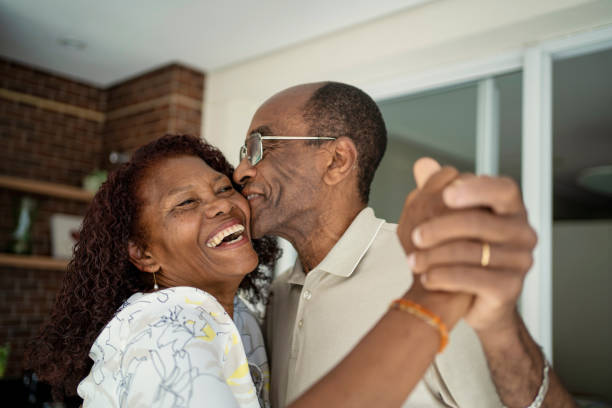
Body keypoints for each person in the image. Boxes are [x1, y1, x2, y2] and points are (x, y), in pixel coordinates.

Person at [28, 134, 490, 407]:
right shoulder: (172, 324)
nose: (223, 205)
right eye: (186, 203)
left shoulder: (244, 313)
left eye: (222, 188)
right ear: (144, 255)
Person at [233, 82, 577, 407]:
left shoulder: (427, 272)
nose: (240, 171)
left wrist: (501, 326)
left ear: (337, 160)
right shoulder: (279, 295)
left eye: (258, 147)